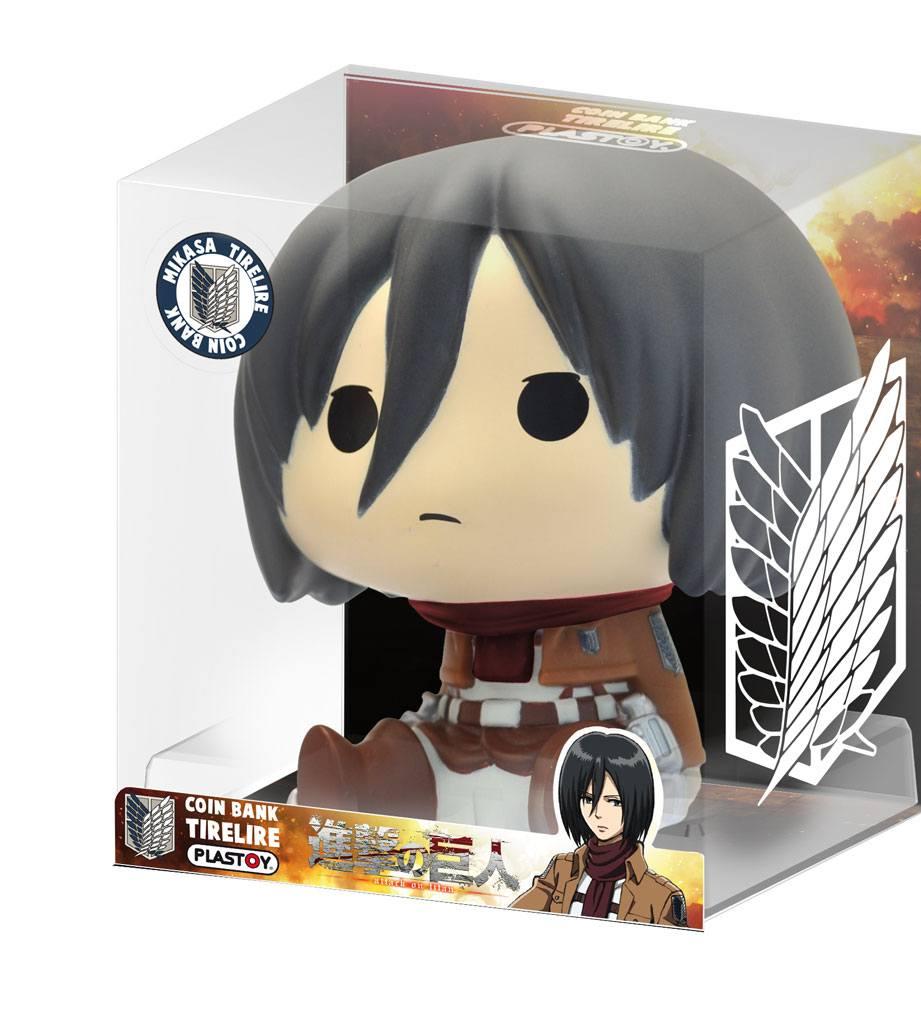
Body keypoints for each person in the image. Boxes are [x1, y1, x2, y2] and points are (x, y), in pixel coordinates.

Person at [234, 135, 859, 830]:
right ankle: (368, 784)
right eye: (354, 418)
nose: (442, 477)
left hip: (592, 749)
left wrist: (668, 767)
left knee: (590, 782)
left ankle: (574, 800)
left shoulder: (626, 629)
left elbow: (669, 711)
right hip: (458, 736)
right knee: (413, 761)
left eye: (551, 408)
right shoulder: (453, 624)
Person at [512, 730, 687, 925]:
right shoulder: (561, 870)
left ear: (638, 801)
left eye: (614, 802)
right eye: (588, 799)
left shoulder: (662, 895)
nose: (598, 813)